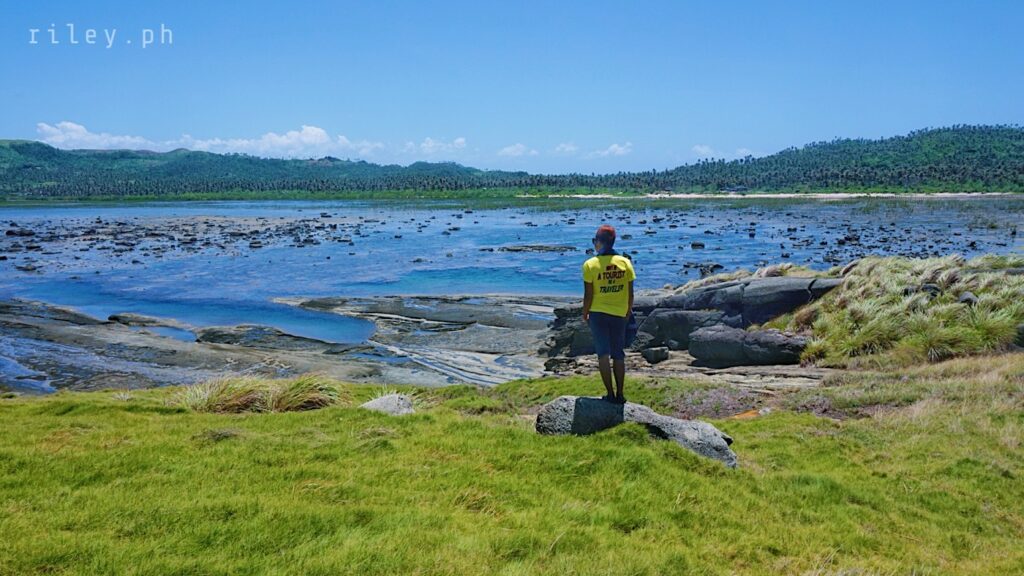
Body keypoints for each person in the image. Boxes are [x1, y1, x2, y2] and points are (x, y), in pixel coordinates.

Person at [581, 224, 635, 404]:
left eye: (594, 241)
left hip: (597, 313)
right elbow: (630, 292)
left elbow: (588, 295)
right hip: (619, 313)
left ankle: (610, 394)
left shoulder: (590, 265)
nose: (594, 244)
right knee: (618, 354)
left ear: (599, 243)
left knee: (603, 354)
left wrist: (585, 312)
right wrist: (627, 311)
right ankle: (620, 394)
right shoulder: (625, 263)